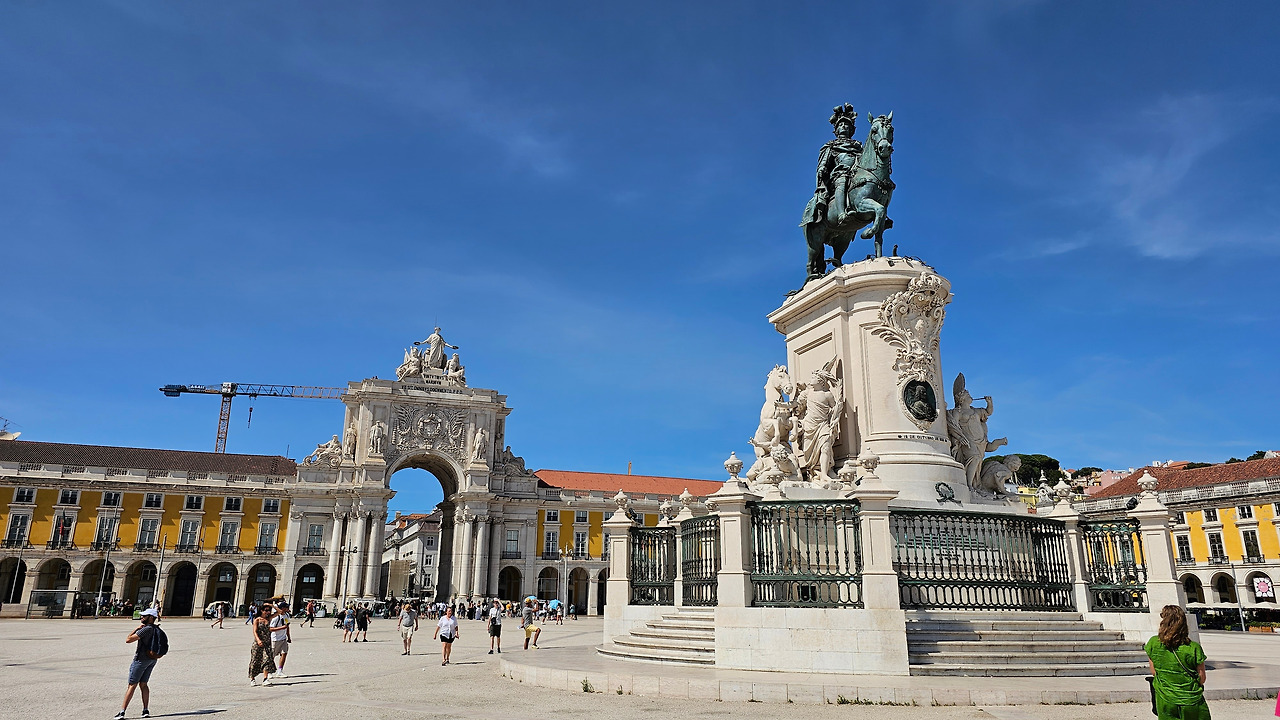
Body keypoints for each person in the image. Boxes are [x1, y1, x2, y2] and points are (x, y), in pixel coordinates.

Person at [1145, 605, 1210, 719]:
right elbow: (1202, 677)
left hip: (1165, 698)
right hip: (1191, 699)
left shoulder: (1153, 643)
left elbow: (1154, 672)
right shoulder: (1193, 648)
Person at [114, 607, 162, 720]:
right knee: (144, 684)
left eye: (144, 616)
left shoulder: (146, 629)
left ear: (151, 618)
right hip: (152, 659)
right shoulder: (156, 628)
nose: (142, 617)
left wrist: (136, 629)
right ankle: (145, 710)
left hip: (141, 660)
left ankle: (122, 712)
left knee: (132, 685)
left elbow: (128, 640)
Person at [249, 604, 277, 686]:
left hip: (267, 643)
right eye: (266, 610)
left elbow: (279, 612)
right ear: (261, 611)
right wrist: (258, 640)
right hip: (258, 644)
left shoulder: (268, 618)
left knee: (266, 660)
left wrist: (272, 605)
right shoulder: (257, 620)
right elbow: (254, 631)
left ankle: (265, 679)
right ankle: (252, 679)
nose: (268, 612)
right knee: (255, 660)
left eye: (269, 610)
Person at [269, 601, 292, 678]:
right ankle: (268, 671)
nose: (288, 608)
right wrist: (282, 628)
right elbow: (271, 629)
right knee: (272, 656)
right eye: (286, 607)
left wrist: (289, 637)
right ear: (282, 608)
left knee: (284, 653)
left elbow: (287, 626)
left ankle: (280, 670)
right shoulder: (276, 617)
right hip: (275, 639)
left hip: (283, 638)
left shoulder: (287, 615)